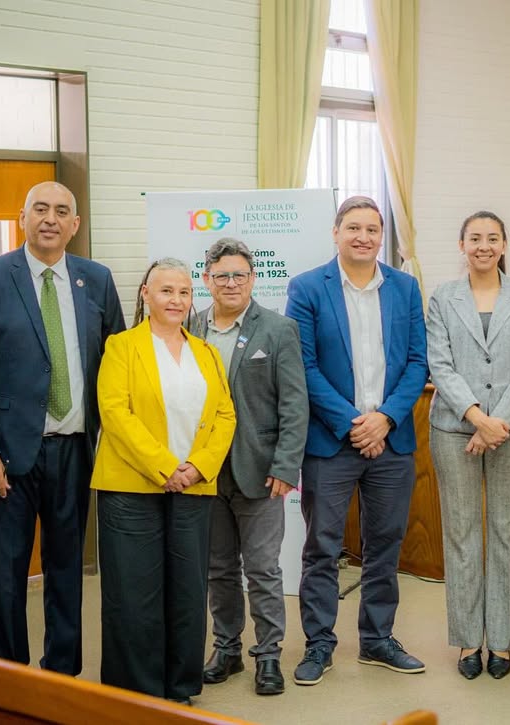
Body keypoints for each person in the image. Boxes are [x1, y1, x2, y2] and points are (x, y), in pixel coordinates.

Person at [0, 181, 125, 674]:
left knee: (68, 570)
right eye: (41, 209)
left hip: (75, 451)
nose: (51, 219)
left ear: (75, 224)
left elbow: (114, 362)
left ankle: (62, 675)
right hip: (6, 457)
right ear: (22, 217)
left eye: (62, 211)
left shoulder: (95, 278)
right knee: (6, 576)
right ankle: (8, 678)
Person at [285, 195, 429, 686]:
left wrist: (385, 418)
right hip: (331, 440)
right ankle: (319, 644)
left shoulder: (406, 289)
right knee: (321, 547)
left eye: (372, 228)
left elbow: (416, 363)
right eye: (354, 227)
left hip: (391, 441)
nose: (363, 236)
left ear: (381, 236)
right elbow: (303, 367)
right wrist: (354, 422)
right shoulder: (306, 288)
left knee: (384, 545)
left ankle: (376, 640)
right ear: (336, 232)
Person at [92, 258, 235, 705]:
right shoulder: (122, 346)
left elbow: (225, 415)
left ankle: (179, 686)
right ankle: (136, 692)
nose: (176, 300)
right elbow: (115, 413)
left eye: (184, 292)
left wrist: (196, 466)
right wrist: (164, 467)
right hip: (130, 489)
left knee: (188, 591)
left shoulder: (206, 351)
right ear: (146, 295)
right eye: (166, 291)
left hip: (193, 487)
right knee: (133, 595)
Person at [426, 211, 510, 680]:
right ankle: (468, 640)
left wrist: (498, 423)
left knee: (507, 533)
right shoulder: (442, 297)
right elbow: (440, 362)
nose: (483, 246)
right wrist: (476, 416)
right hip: (454, 429)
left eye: (492, 238)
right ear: (461, 244)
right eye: (474, 238)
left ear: (504, 244)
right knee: (461, 534)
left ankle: (502, 642)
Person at [192, 239, 309, 696]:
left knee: (262, 571)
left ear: (253, 278)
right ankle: (226, 648)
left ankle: (268, 656)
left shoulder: (278, 329)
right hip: (203, 474)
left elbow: (295, 406)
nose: (231, 283)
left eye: (239, 275)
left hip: (259, 471)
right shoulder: (189, 326)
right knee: (218, 570)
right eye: (221, 275)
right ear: (207, 280)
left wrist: (285, 466)